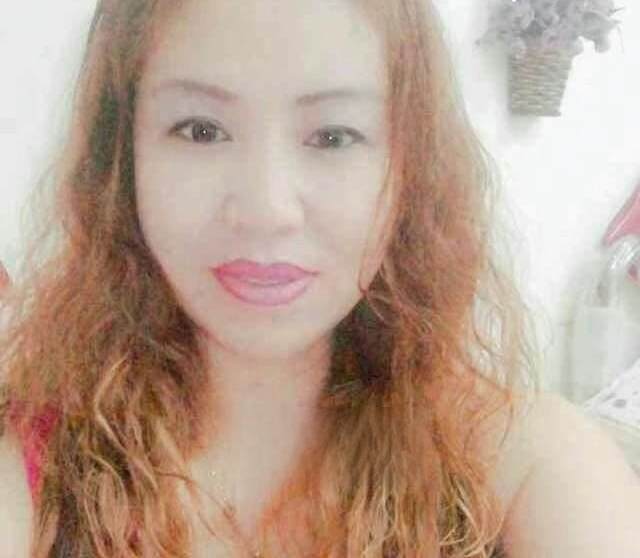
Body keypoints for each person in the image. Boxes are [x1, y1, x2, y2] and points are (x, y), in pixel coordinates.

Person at [0, 0, 638, 556]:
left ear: (409, 172)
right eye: (201, 130)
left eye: (333, 136)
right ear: (122, 160)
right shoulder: (31, 469)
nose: (265, 209)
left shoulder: (531, 468)